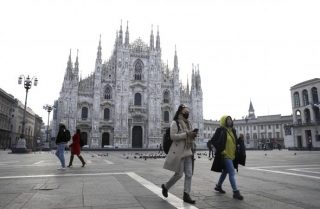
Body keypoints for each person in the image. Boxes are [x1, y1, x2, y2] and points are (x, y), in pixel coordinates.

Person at [161, 104, 198, 204]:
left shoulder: (188, 123)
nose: (188, 112)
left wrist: (193, 135)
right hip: (179, 152)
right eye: (186, 110)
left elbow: (189, 136)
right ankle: (165, 186)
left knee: (189, 174)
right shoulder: (175, 122)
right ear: (181, 111)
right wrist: (187, 134)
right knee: (179, 174)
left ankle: (186, 194)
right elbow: (173, 136)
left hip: (188, 151)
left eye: (188, 111)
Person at [211, 115, 246, 200]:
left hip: (232, 155)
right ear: (224, 121)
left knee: (225, 172)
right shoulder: (220, 130)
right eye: (228, 119)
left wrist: (240, 139)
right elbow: (213, 141)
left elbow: (234, 142)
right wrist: (221, 151)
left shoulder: (233, 130)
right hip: (225, 155)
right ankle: (235, 192)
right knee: (232, 172)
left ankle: (218, 186)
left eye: (230, 119)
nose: (230, 121)